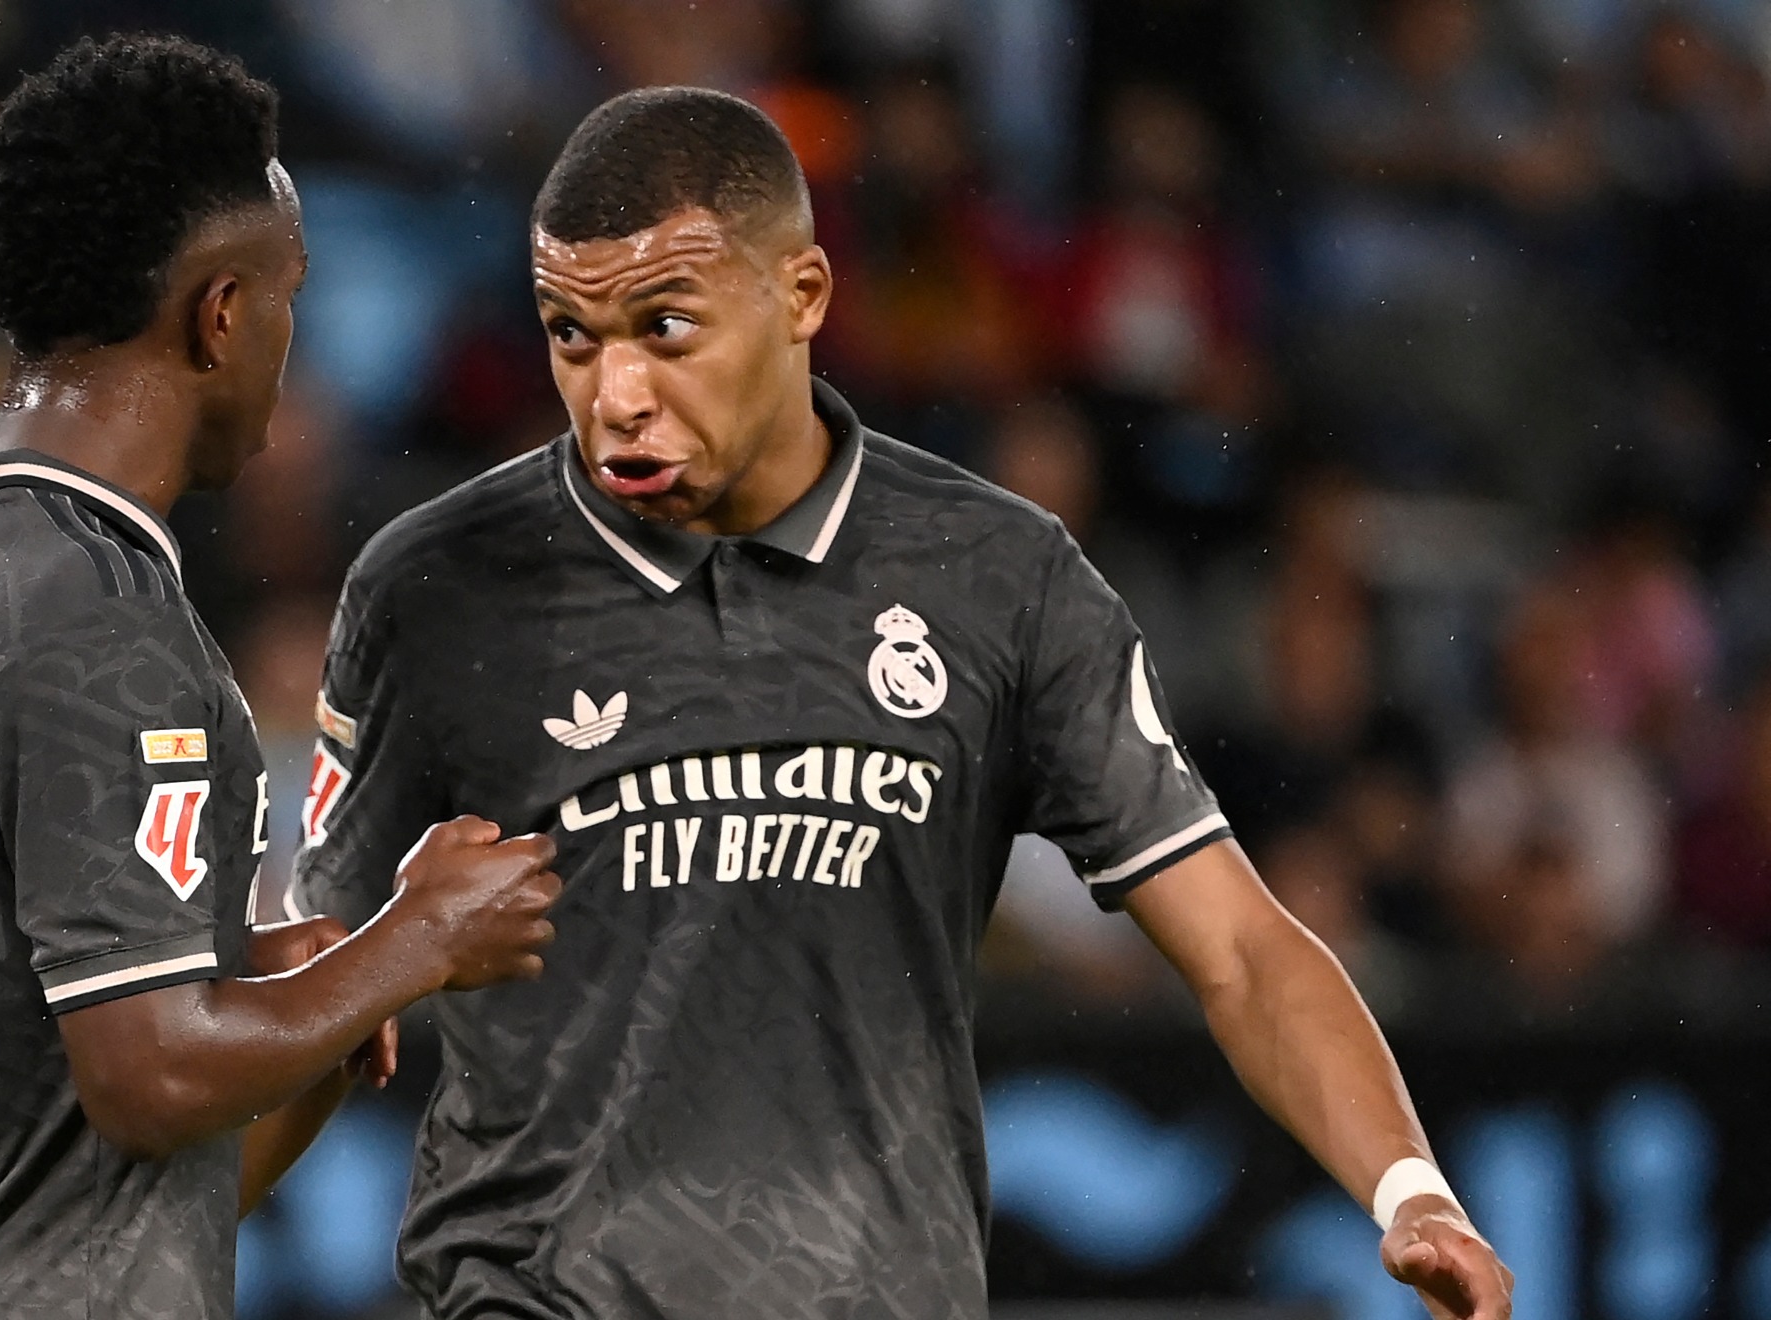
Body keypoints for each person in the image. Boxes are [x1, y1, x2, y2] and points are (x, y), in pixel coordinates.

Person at [291, 87, 1513, 1320]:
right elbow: (309, 989)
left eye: (665, 328)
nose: (613, 396)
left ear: (803, 297)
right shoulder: (436, 585)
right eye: (569, 334)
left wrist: (1409, 1191)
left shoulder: (997, 578)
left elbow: (1243, 951)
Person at [0, 36, 561, 1320]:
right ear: (219, 315)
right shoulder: (107, 631)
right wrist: (415, 943)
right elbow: (151, 1081)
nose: (297, 340)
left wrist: (217, 968)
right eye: (291, 295)